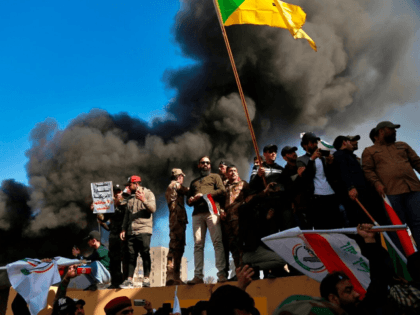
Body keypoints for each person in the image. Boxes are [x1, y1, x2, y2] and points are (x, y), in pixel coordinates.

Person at [362, 121, 420, 246]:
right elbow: (368, 170)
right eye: (391, 129)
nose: (395, 131)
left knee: (418, 222)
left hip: (413, 189)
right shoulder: (369, 151)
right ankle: (406, 259)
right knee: (397, 227)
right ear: (381, 131)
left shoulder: (402, 145)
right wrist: (376, 183)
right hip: (391, 193)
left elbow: (417, 162)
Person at [319, 224, 394, 315]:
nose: (357, 294)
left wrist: (369, 240)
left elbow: (379, 278)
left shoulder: (364, 309)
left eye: (353, 289)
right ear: (333, 299)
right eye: (348, 291)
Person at [187, 156, 227, 284]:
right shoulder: (193, 182)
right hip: (197, 215)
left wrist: (205, 195)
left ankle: (221, 274)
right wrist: (191, 200)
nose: (205, 164)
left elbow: (222, 191)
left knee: (217, 242)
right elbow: (188, 200)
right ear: (199, 165)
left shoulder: (215, 177)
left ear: (210, 165)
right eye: (202, 163)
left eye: (207, 163)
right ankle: (198, 276)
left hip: (212, 212)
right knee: (198, 245)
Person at [297, 132, 343, 229]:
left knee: (337, 225)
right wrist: (311, 159)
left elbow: (332, 175)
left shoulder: (322, 158)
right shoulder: (301, 160)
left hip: (331, 194)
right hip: (317, 197)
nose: (314, 144)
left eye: (315, 142)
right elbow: (305, 177)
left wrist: (330, 163)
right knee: (322, 227)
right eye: (311, 142)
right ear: (305, 145)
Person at [250, 144, 295, 234]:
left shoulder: (281, 169)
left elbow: (288, 187)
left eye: (275, 152)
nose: (273, 153)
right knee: (270, 230)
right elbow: (252, 185)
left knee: (286, 229)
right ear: (264, 154)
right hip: (266, 203)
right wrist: (258, 176)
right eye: (270, 152)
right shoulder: (258, 168)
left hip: (281, 202)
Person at [120, 175, 156, 288]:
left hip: (144, 230)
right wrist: (123, 229)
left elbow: (153, 209)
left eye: (130, 185)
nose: (128, 188)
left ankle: (146, 279)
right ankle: (129, 280)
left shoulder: (148, 193)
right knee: (131, 255)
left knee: (145, 253)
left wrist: (143, 200)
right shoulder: (130, 198)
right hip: (132, 231)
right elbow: (127, 215)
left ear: (136, 184)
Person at [332, 136, 372, 227]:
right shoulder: (339, 155)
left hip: (361, 192)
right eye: (349, 141)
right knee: (358, 220)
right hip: (354, 195)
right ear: (344, 143)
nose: (352, 144)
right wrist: (351, 187)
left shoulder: (350, 155)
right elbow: (344, 172)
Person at [221, 165, 251, 271]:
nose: (233, 173)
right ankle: (238, 271)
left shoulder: (243, 184)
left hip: (239, 219)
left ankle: (245, 270)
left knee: (241, 244)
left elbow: (251, 197)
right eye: (230, 171)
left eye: (234, 171)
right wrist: (220, 210)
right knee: (232, 246)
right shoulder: (223, 186)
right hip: (227, 221)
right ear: (227, 174)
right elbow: (218, 201)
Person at [97, 184, 128, 289]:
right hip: (113, 236)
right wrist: (97, 210)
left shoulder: (126, 204)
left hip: (124, 235)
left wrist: (119, 204)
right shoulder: (111, 206)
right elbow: (104, 219)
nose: (117, 194)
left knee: (125, 259)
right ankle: (115, 282)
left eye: (118, 192)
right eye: (115, 192)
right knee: (114, 259)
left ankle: (126, 281)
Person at [165, 168, 189, 286]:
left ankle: (174, 276)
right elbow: (186, 190)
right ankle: (172, 276)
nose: (183, 179)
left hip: (176, 219)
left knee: (177, 246)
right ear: (179, 176)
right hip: (177, 219)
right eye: (182, 176)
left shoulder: (171, 186)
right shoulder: (175, 185)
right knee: (176, 246)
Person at [281, 146, 309, 228]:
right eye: (290, 153)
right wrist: (299, 176)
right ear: (284, 158)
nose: (294, 154)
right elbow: (289, 191)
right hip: (300, 208)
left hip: (312, 202)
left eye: (294, 151)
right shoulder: (285, 173)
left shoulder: (303, 164)